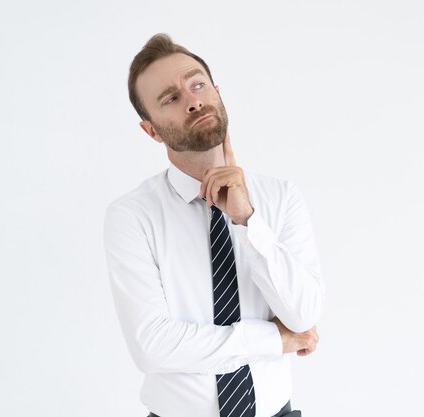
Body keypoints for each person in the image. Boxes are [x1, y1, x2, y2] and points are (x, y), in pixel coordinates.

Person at [103, 33, 325, 417]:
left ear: (218, 92)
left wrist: (247, 221)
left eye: (198, 84)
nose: (193, 100)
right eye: (171, 98)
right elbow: (154, 346)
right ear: (151, 130)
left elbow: (303, 316)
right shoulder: (132, 216)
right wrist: (273, 338)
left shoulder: (280, 197)